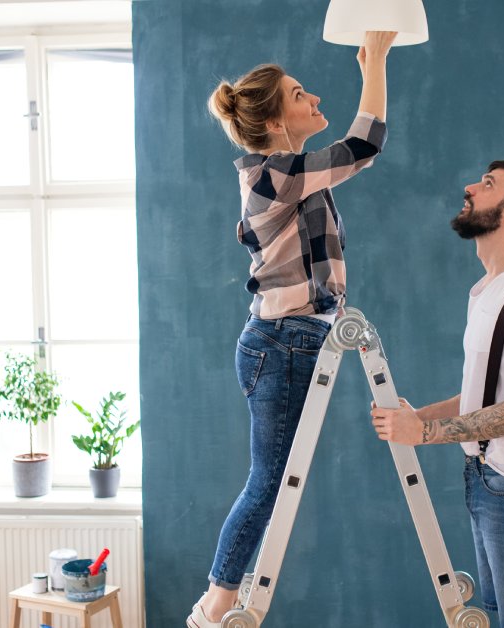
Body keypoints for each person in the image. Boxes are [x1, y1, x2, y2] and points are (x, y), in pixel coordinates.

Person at [188, 31, 397, 628]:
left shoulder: (296, 177)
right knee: (270, 477)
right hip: (282, 343)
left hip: (298, 340)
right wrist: (376, 63)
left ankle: (224, 592)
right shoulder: (269, 177)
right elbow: (363, 145)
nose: (313, 99)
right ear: (277, 123)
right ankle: (218, 599)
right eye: (300, 95)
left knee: (277, 476)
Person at [369, 160, 504, 628]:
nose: (469, 188)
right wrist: (419, 418)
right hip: (487, 479)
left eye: (487, 185)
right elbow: (484, 394)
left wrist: (424, 433)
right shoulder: (490, 288)